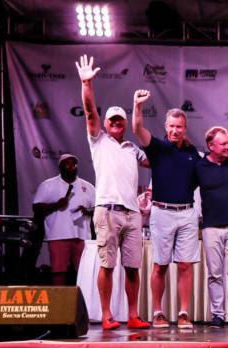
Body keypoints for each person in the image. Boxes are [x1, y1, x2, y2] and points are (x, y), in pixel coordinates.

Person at [76, 55, 150, 331]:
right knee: (107, 266)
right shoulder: (98, 140)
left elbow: (156, 162)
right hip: (107, 210)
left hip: (132, 214)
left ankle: (133, 314)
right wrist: (86, 84)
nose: (117, 123)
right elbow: (88, 110)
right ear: (106, 124)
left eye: (121, 120)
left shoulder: (132, 148)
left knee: (132, 268)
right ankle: (107, 315)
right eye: (113, 120)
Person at [132, 90, 201, 329]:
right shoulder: (157, 148)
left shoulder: (193, 153)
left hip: (187, 213)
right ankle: (158, 312)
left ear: (185, 128)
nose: (174, 130)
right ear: (166, 126)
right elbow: (137, 129)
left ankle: (183, 313)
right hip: (162, 212)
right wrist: (137, 106)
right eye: (171, 126)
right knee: (160, 265)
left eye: (179, 127)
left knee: (184, 265)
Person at [195, 126, 228, 329]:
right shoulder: (199, 167)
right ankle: (217, 314)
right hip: (210, 228)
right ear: (211, 146)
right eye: (224, 143)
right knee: (214, 274)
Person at [32, 154, 95, 286]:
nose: (72, 167)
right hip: (58, 235)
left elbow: (97, 209)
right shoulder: (48, 185)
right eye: (68, 164)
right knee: (59, 272)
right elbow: (36, 207)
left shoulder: (88, 186)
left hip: (82, 236)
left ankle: (82, 303)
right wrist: (56, 205)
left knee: (83, 273)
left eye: (74, 164)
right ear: (60, 167)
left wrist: (88, 211)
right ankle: (59, 302)